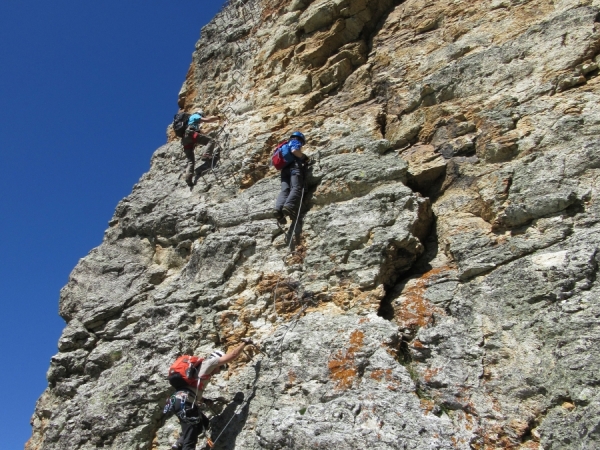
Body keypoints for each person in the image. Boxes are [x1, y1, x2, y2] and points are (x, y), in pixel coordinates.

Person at [169, 338, 253, 450]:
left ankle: (178, 444)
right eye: (221, 367)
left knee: (202, 423)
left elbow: (191, 390)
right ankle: (183, 445)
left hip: (180, 402)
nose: (219, 371)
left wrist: (204, 400)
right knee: (190, 440)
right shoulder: (209, 363)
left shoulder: (200, 371)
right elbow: (232, 355)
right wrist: (245, 343)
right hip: (186, 403)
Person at [273, 131, 310, 223]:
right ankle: (288, 207)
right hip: (294, 167)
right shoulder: (295, 141)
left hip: (284, 170)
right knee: (296, 187)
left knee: (285, 190)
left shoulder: (282, 146)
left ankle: (278, 210)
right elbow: (294, 150)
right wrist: (304, 157)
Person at [180, 109, 221, 187]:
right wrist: (218, 118)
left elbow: (203, 133)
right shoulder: (195, 116)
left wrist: (212, 128)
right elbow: (207, 120)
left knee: (191, 161)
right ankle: (206, 154)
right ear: (200, 114)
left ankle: (188, 177)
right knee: (211, 141)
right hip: (190, 134)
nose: (201, 121)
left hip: (185, 140)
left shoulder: (192, 123)